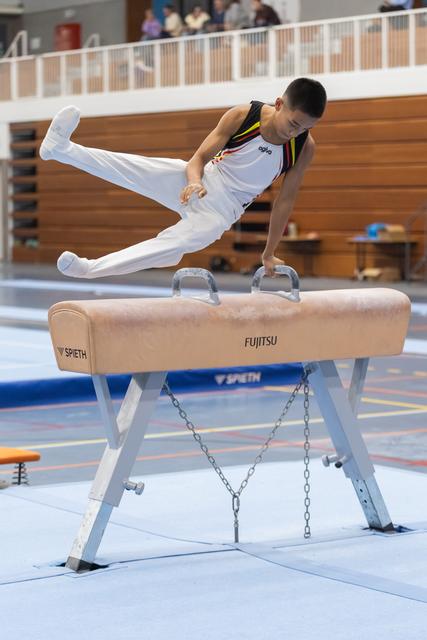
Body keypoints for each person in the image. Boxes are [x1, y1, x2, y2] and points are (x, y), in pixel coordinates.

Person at [39, 77, 327, 279]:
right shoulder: (243, 115)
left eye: (305, 128)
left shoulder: (303, 147)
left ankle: (89, 269)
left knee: (174, 244)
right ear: (279, 104)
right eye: (294, 123)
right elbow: (198, 159)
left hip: (222, 211)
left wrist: (268, 253)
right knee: (134, 167)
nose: (296, 132)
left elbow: (285, 202)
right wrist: (194, 181)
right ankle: (61, 149)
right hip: (204, 179)